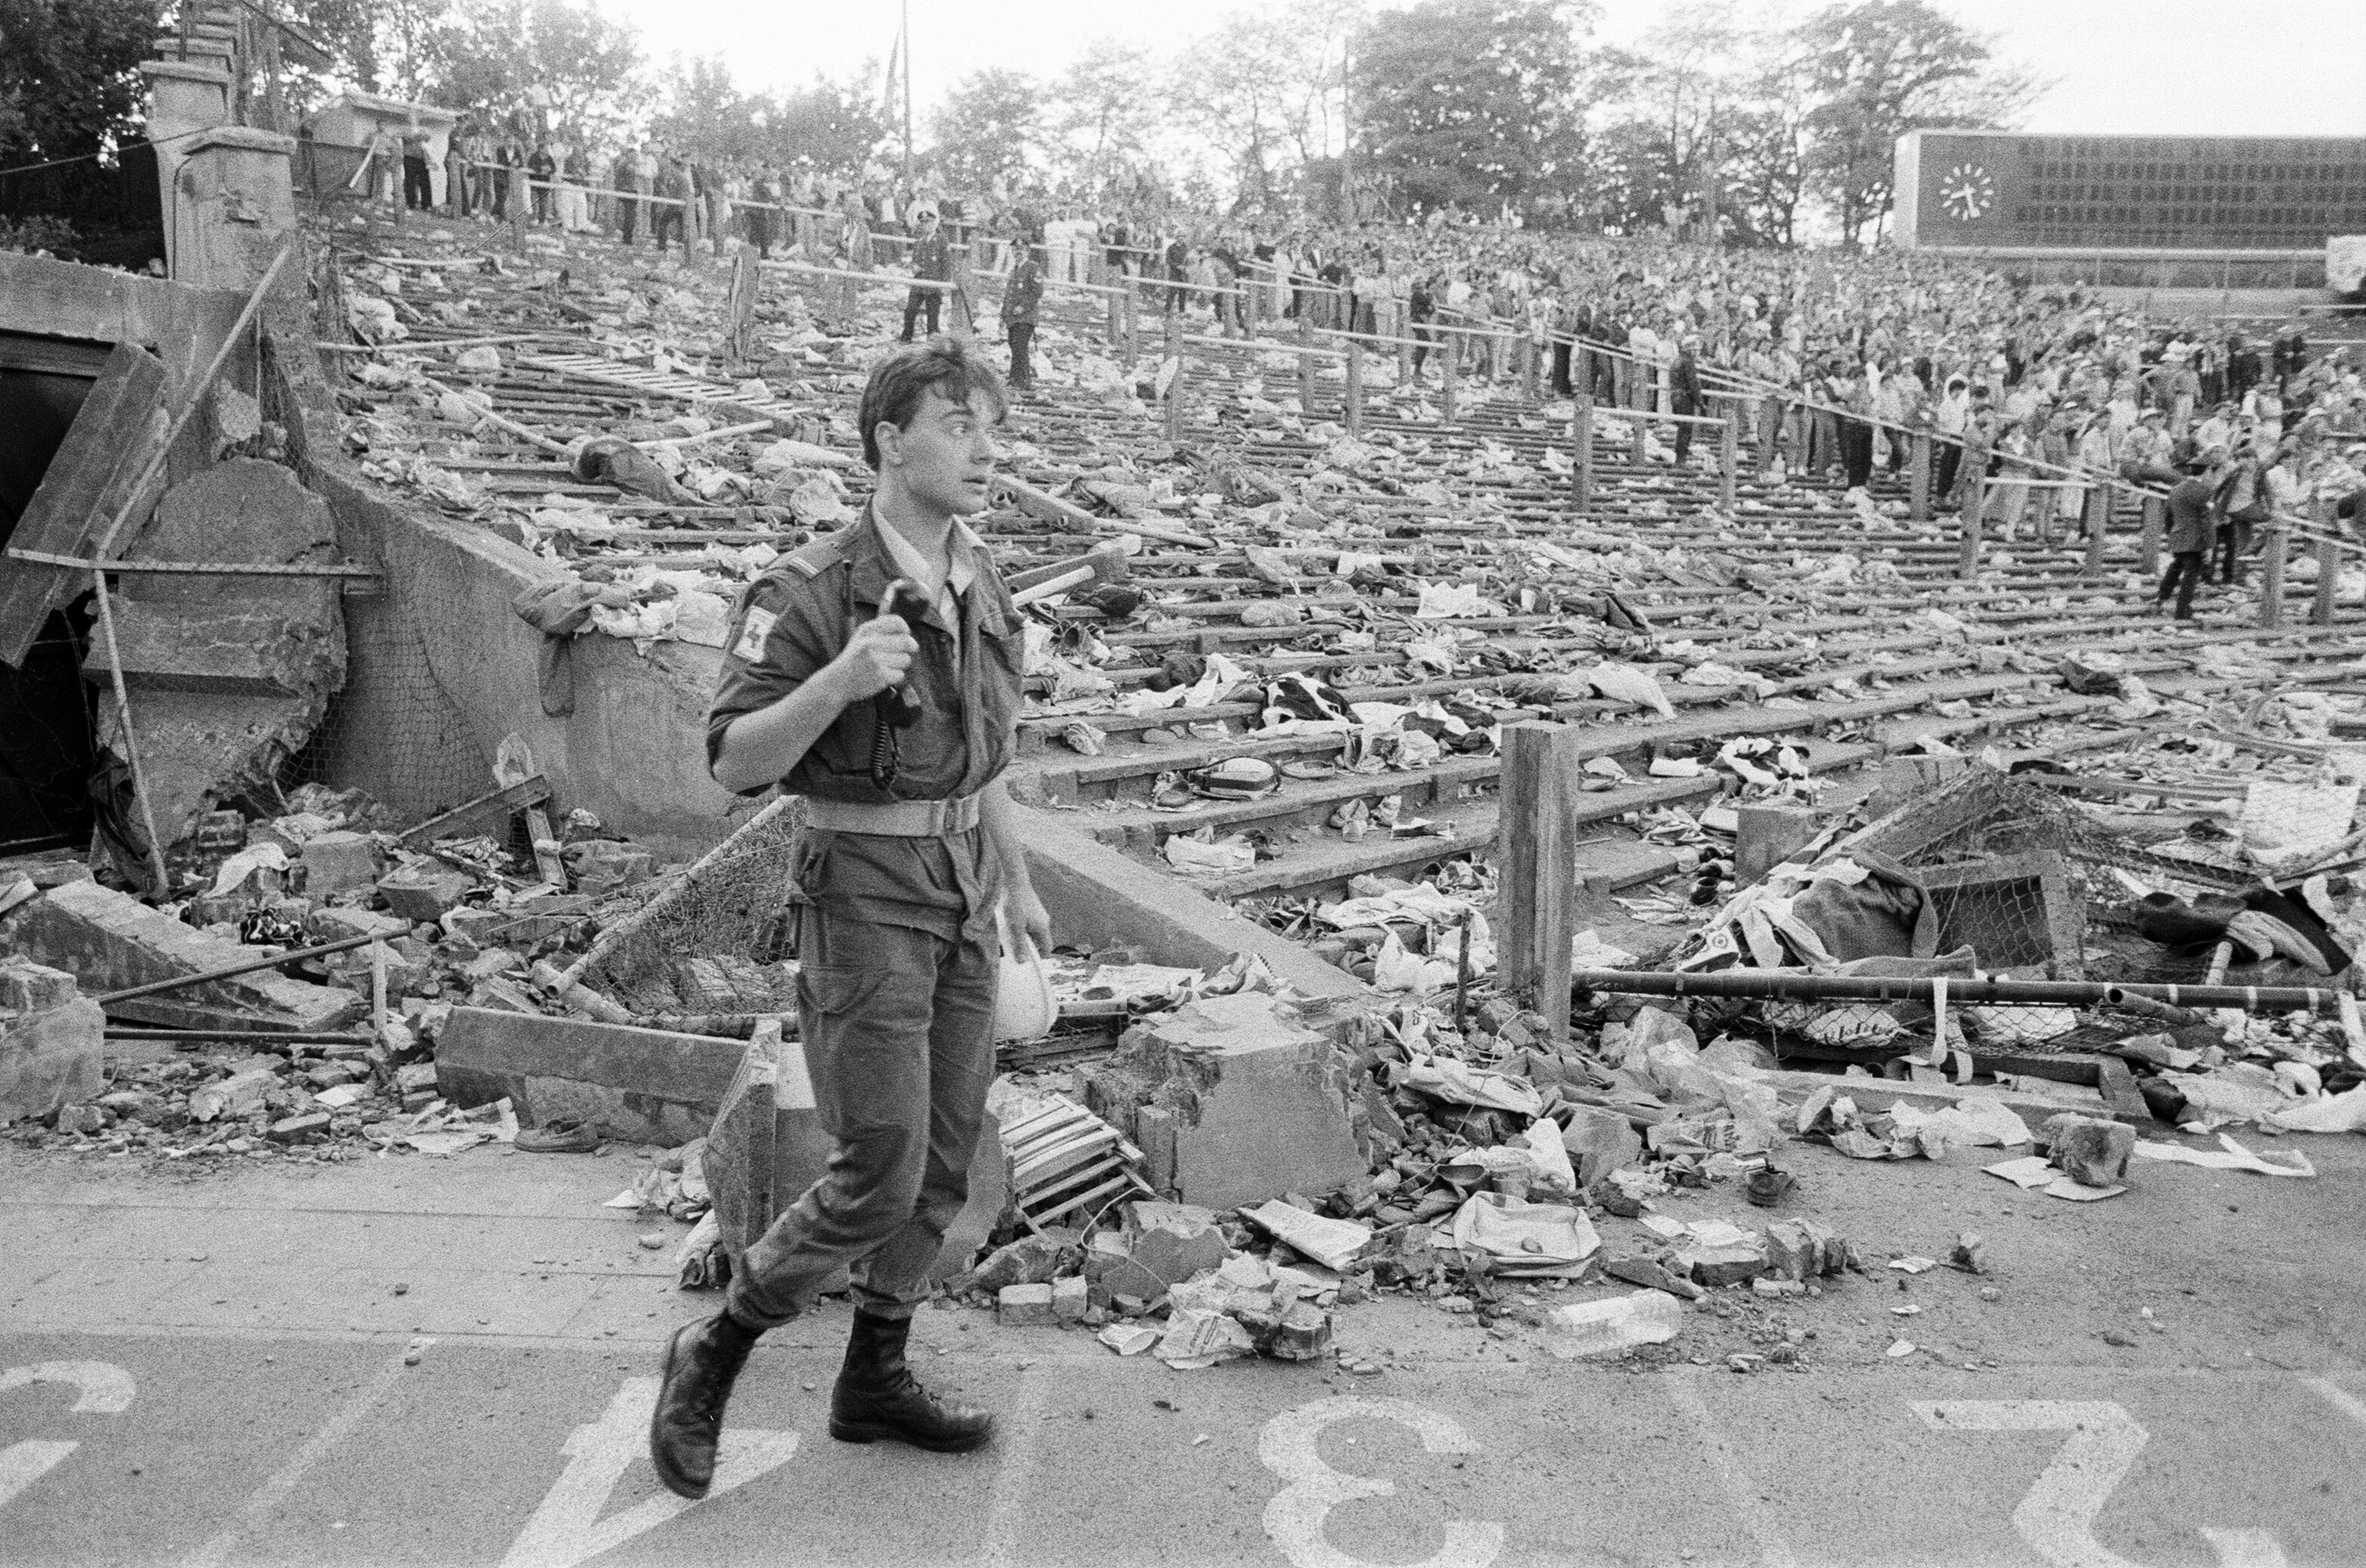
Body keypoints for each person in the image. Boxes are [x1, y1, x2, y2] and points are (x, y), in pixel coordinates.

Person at [651, 338, 1048, 1497]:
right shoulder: (812, 589)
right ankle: (716, 1345)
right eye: (959, 423)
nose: (984, 447)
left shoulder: (982, 580)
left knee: (947, 1152)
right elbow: (730, 758)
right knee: (878, 1160)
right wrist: (836, 682)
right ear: (891, 441)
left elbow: (983, 761)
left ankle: (875, 1369)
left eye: (990, 425)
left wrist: (1017, 878)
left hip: (965, 884)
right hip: (865, 893)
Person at [2156, 451, 2221, 619]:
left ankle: (2162, 597)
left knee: (2176, 566)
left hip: (2178, 535)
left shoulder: (2176, 490)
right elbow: (2206, 520)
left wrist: (2171, 533)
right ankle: (2183, 610)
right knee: (2191, 575)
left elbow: (2169, 516)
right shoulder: (2205, 491)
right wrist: (2210, 545)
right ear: (2206, 472)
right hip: (2196, 538)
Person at [900, 205, 951, 342]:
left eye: (928, 223)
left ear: (934, 223)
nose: (925, 226)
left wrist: (945, 285)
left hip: (933, 285)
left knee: (933, 317)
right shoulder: (919, 242)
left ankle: (933, 344)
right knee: (910, 311)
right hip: (919, 283)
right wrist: (914, 267)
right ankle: (906, 340)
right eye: (923, 223)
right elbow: (914, 262)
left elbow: (946, 265)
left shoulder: (941, 241)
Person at [1002, 241, 1043, 393]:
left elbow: (1037, 292)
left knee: (1020, 346)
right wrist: (1004, 316)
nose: (1018, 253)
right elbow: (1009, 295)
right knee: (1014, 345)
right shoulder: (1014, 270)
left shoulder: (1033, 268)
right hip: (1013, 317)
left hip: (1026, 316)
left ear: (1027, 251)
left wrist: (1024, 307)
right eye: (1015, 250)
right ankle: (1015, 378)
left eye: (1021, 250)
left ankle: (1024, 380)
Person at [400, 118, 433, 211]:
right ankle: (411, 204)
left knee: (425, 181)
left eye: (414, 119)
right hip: (410, 157)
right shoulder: (405, 130)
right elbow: (409, 138)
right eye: (411, 120)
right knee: (410, 181)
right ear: (408, 121)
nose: (413, 121)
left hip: (422, 158)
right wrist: (420, 136)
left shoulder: (422, 130)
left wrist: (421, 135)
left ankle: (427, 205)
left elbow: (428, 138)